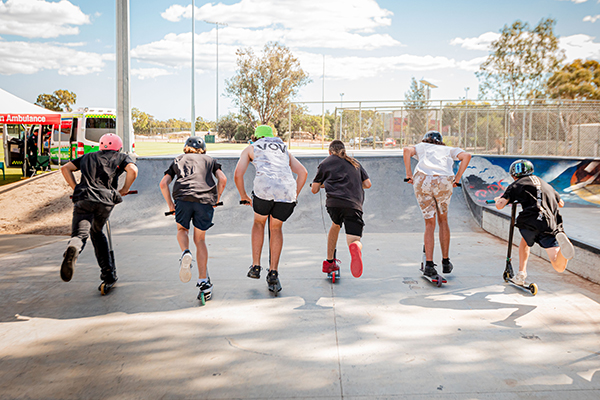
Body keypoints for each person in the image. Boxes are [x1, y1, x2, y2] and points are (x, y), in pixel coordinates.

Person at [234, 125, 308, 292]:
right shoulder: (283, 149)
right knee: (276, 228)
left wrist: (243, 195)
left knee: (259, 223)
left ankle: (256, 266)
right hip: (287, 193)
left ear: (256, 137)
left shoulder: (251, 148)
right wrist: (293, 193)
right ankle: (273, 271)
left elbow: (238, 174)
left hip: (264, 191)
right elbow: (303, 172)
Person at [60, 133, 138, 290]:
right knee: (96, 232)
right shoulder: (121, 157)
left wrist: (76, 188)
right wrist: (124, 189)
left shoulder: (88, 156)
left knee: (80, 235)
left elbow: (65, 168)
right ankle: (108, 274)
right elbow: (133, 170)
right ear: (119, 147)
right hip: (105, 200)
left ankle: (74, 247)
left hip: (84, 198)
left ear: (101, 145)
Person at [159, 136, 227, 302]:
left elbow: (163, 183)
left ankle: (185, 252)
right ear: (203, 149)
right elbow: (223, 179)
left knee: (182, 230)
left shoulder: (178, 159)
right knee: (200, 240)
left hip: (183, 199)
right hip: (205, 201)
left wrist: (170, 205)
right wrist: (216, 198)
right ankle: (203, 281)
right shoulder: (210, 160)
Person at [494, 159, 575, 284]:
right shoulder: (547, 185)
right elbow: (561, 203)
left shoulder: (516, 185)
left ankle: (521, 274)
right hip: (550, 224)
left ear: (514, 175)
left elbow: (500, 205)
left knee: (525, 241)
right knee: (558, 266)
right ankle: (563, 251)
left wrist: (498, 199)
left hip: (530, 221)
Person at [403, 131, 472, 278]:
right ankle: (446, 262)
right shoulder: (448, 149)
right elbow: (467, 156)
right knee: (443, 220)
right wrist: (457, 179)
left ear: (426, 139)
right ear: (440, 141)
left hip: (422, 180)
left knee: (429, 223)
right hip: (444, 180)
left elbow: (406, 150)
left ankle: (429, 265)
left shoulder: (422, 146)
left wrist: (409, 174)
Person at [311, 140, 371, 278]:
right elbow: (368, 184)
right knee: (354, 239)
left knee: (336, 224)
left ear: (330, 151)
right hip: (353, 204)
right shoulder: (354, 163)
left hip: (334, 204)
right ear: (344, 150)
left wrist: (328, 185)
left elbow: (314, 189)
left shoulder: (325, 163)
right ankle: (355, 247)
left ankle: (329, 262)